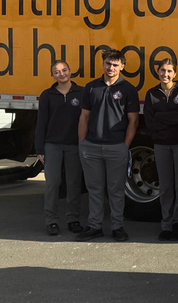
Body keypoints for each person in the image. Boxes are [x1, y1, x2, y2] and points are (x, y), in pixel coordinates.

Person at [76, 49, 140, 242]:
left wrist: (124, 146)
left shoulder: (128, 89)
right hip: (91, 147)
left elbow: (133, 121)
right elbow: (84, 117)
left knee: (116, 190)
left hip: (116, 147)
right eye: (108, 64)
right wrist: (82, 143)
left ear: (122, 66)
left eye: (115, 64)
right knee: (94, 189)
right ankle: (95, 226)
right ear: (102, 64)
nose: (111, 68)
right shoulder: (91, 87)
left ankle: (117, 227)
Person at [35, 60, 85, 236]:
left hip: (74, 145)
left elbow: (87, 120)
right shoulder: (47, 95)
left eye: (64, 70)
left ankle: (73, 219)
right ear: (52, 76)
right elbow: (41, 123)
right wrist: (39, 148)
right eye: (56, 72)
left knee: (73, 183)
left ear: (70, 71)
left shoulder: (81, 92)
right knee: (53, 183)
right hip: (52, 145)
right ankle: (52, 221)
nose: (61, 74)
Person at [144, 58, 178, 241]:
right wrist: (168, 119)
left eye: (169, 71)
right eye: (162, 71)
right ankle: (167, 224)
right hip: (161, 145)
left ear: (175, 74)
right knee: (165, 186)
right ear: (158, 72)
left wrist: (161, 116)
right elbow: (149, 121)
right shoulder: (151, 93)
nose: (166, 74)